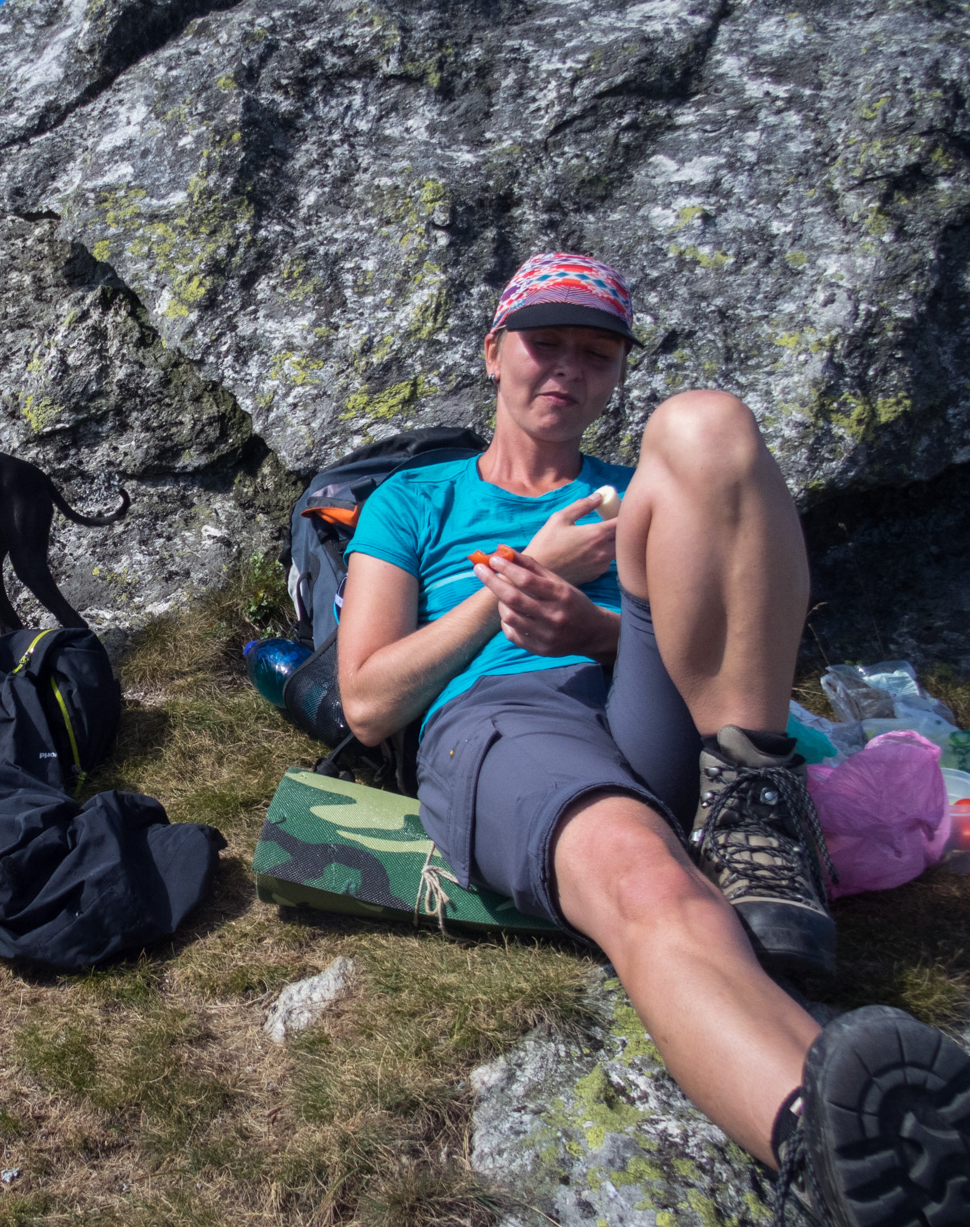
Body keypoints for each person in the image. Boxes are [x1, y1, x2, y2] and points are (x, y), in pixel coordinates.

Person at [336, 253, 968, 1224]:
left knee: (709, 425)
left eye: (595, 352)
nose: (567, 369)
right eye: (545, 343)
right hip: (507, 719)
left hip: (663, 706)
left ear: (615, 373)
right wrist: (511, 597)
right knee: (652, 883)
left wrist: (593, 625)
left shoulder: (640, 490)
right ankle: (819, 1134)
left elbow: (735, 637)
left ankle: (757, 794)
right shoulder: (415, 502)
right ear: (493, 349)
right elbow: (368, 703)